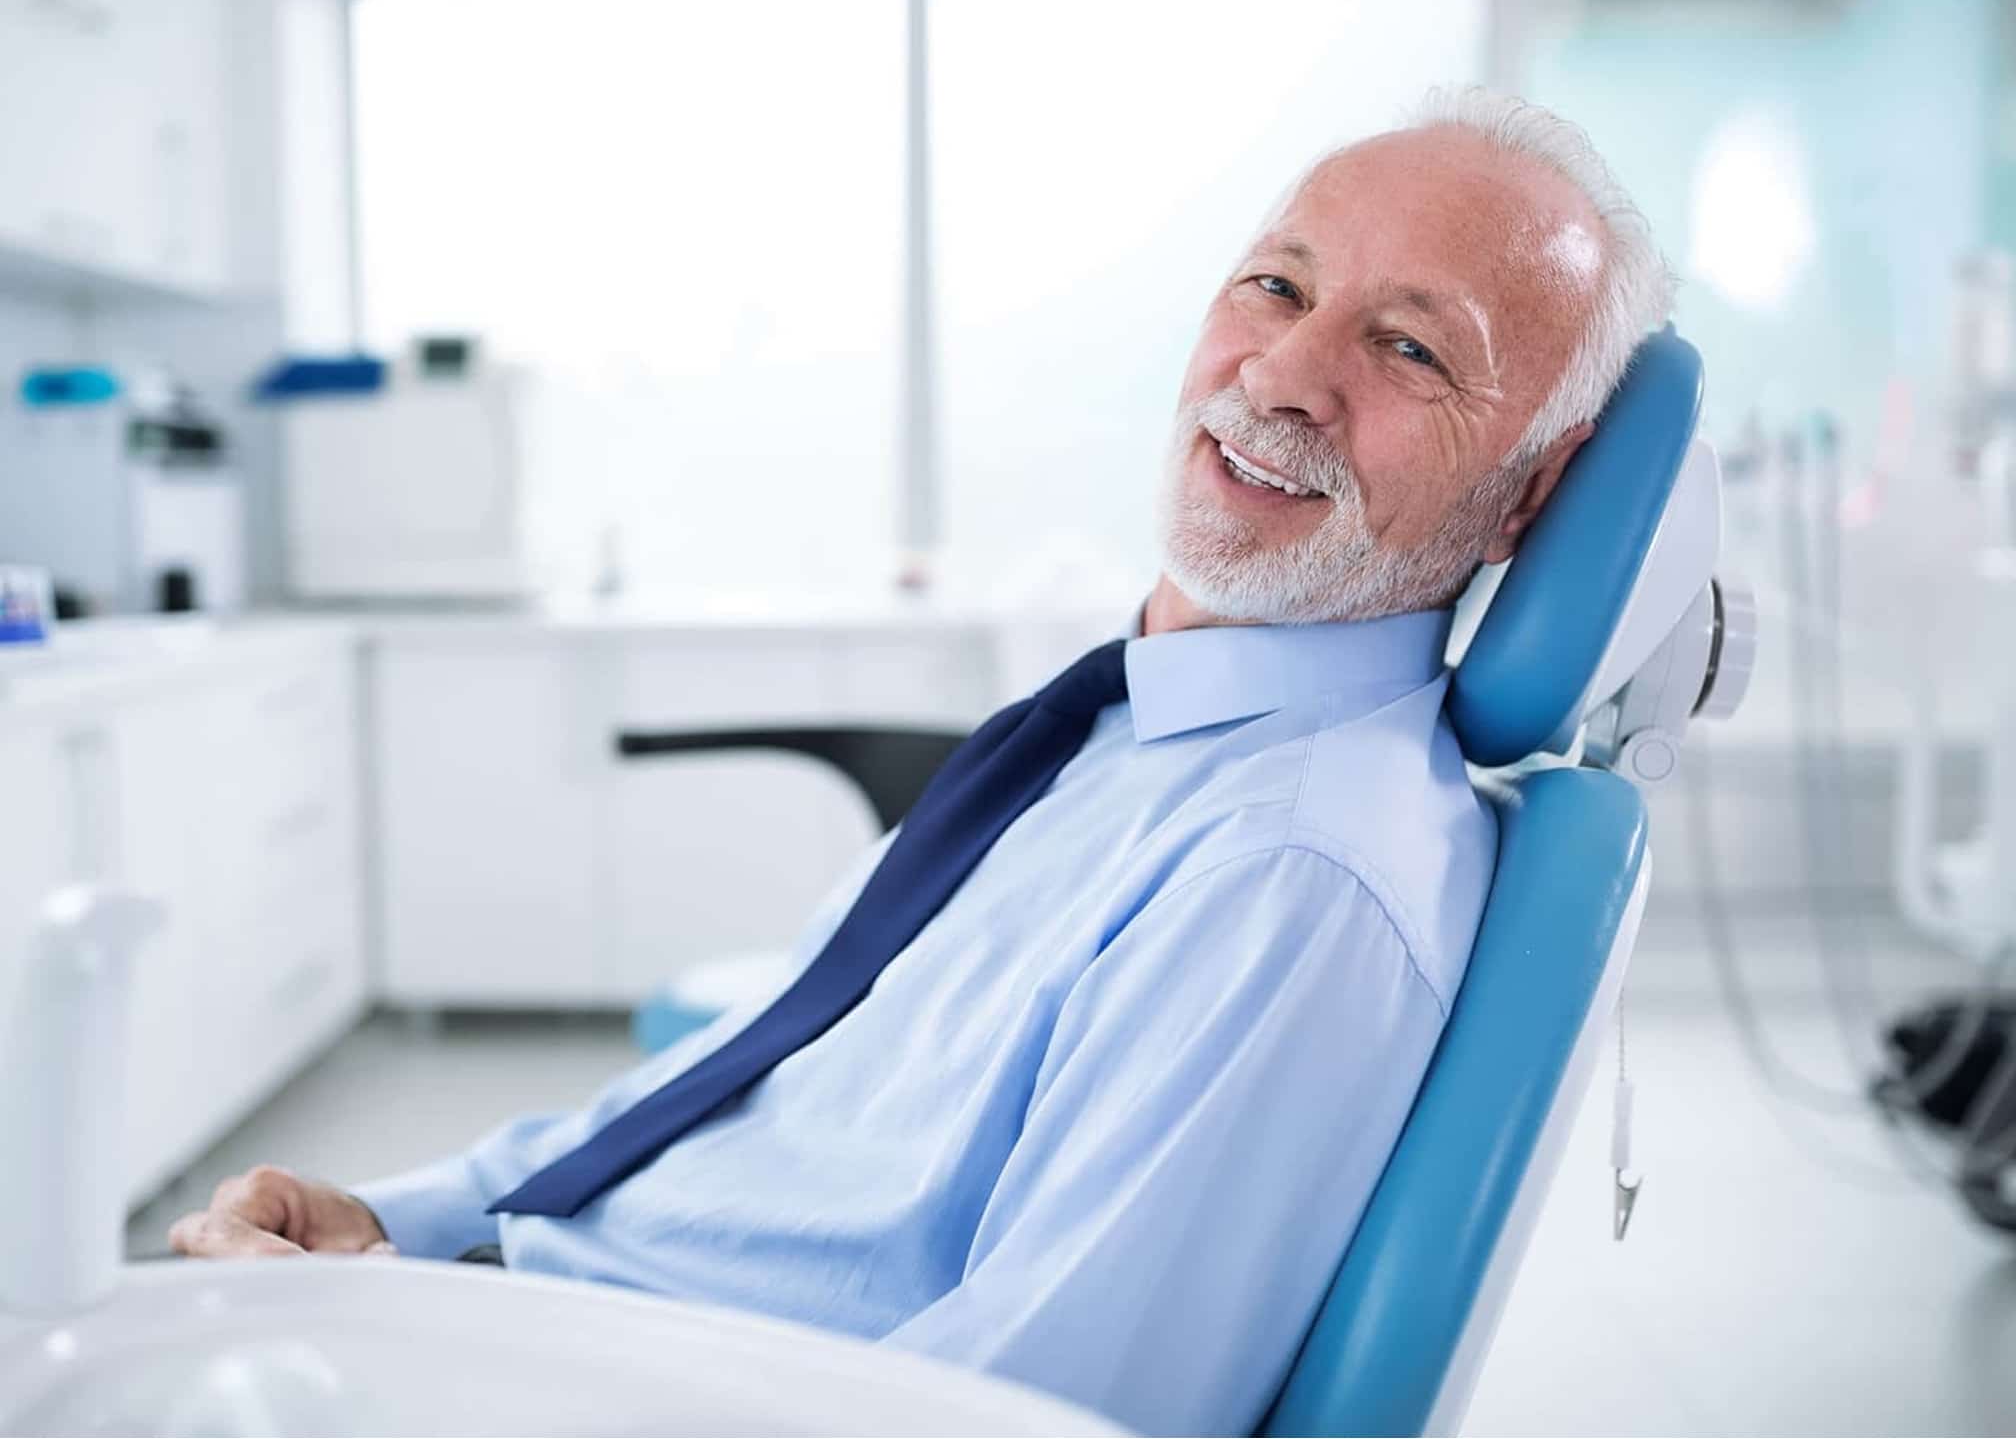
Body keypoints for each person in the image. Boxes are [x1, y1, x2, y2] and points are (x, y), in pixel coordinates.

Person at [171, 85, 1673, 1435]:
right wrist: (401, 1228)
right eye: (1277, 284)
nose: (1283, 372)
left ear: (1531, 493)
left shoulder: (1294, 870)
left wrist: (436, 1355)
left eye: (1409, 347)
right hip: (513, 1315)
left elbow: (1020, 1415)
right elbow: (759, 1087)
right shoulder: (1120, 730)